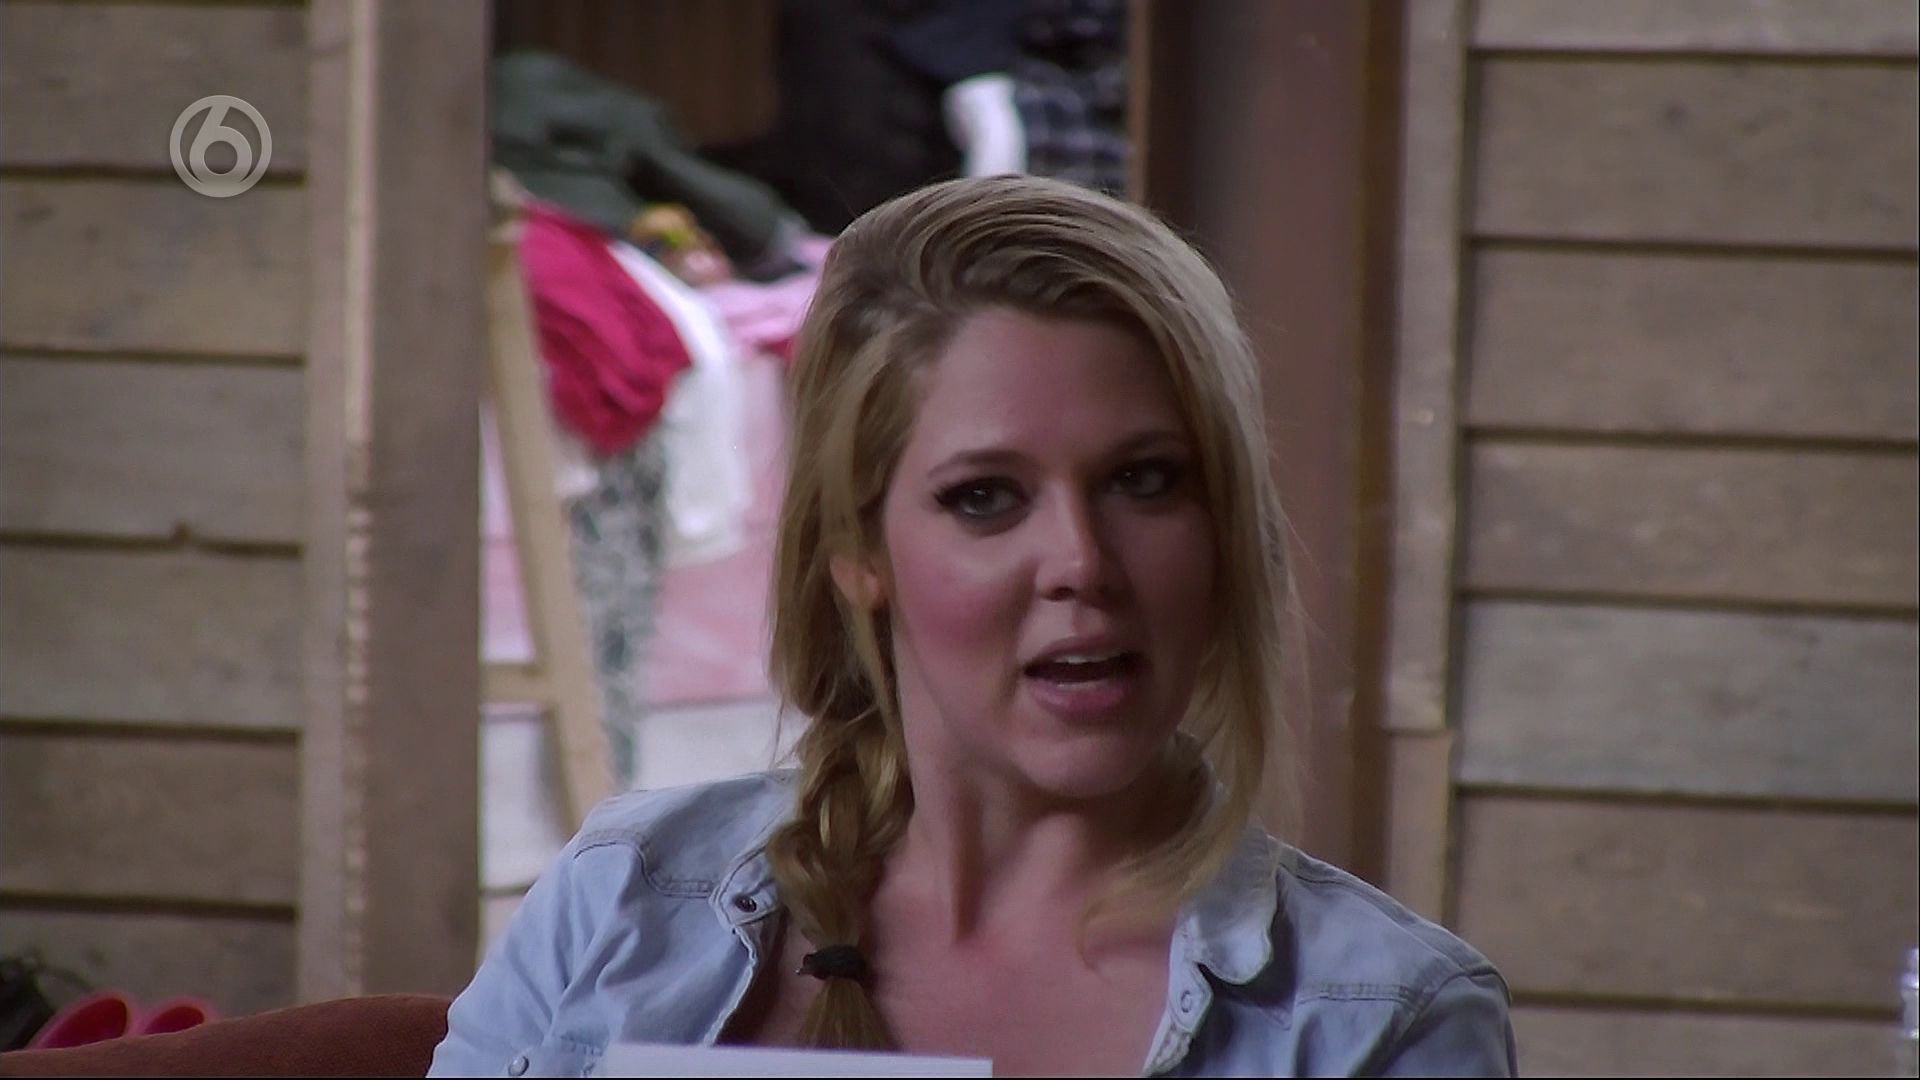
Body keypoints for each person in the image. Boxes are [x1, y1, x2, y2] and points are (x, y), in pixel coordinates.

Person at [430, 175, 1518, 1077]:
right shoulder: (619, 897)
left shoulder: (1385, 1021)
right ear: (859, 552)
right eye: (986, 498)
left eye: (1145, 480)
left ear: (1226, 527)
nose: (1082, 564)